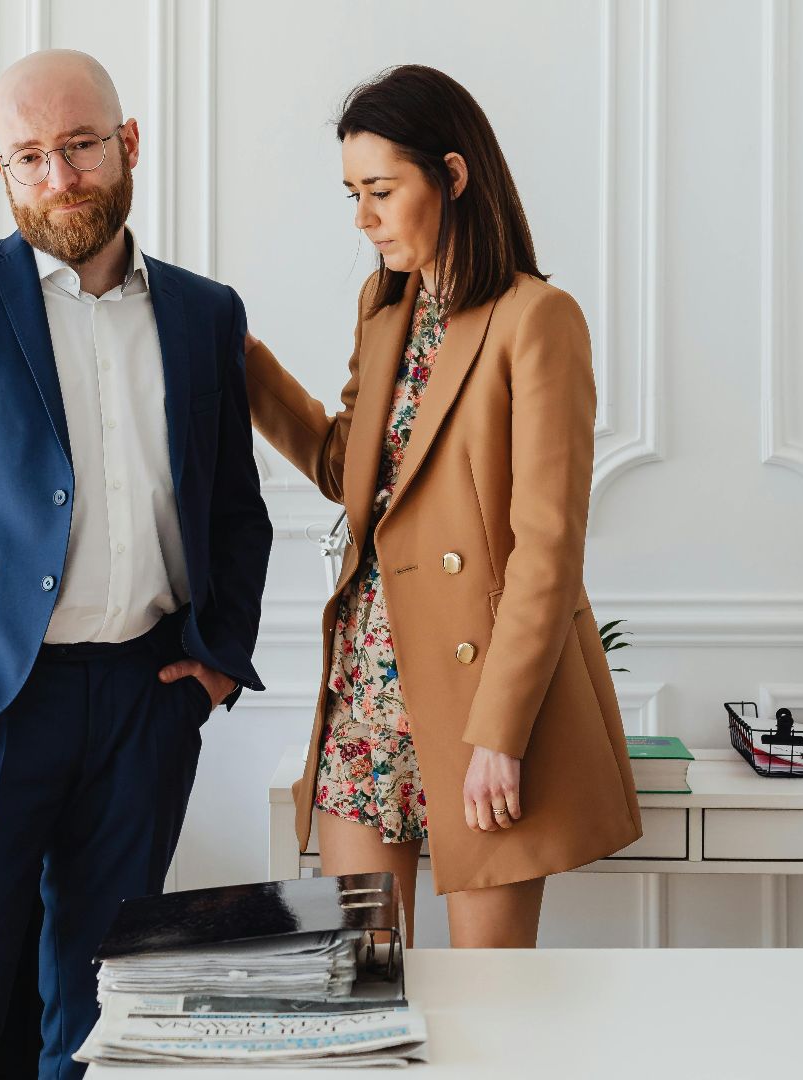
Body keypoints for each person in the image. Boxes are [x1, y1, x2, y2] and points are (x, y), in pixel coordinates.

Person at [0, 48, 271, 1078]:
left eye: (78, 146)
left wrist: (210, 672)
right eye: (28, 158)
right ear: (4, 172)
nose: (58, 177)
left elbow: (234, 512)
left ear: (128, 145)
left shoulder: (206, 314)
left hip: (146, 699)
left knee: (107, 1017)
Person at [243, 65, 641, 948]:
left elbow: (547, 549)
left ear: (453, 177)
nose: (363, 218)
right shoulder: (384, 310)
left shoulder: (538, 319)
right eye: (353, 193)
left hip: (478, 705)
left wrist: (499, 732)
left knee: (488, 1009)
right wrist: (243, 363)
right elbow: (349, 470)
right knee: (360, 985)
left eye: (382, 190)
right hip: (368, 687)